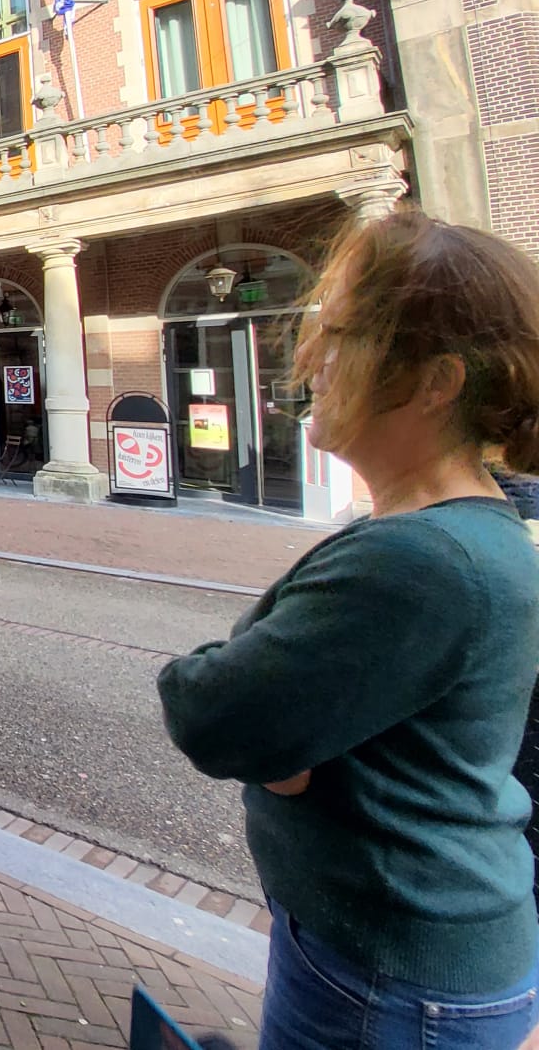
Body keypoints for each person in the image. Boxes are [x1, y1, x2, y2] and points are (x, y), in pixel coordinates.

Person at [157, 210, 539, 1049]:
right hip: (392, 957)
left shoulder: (421, 561)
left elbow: (212, 710)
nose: (312, 362)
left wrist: (275, 732)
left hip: (389, 981)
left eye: (342, 338)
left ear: (436, 382)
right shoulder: (461, 533)